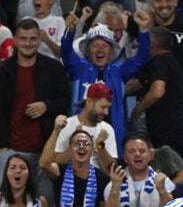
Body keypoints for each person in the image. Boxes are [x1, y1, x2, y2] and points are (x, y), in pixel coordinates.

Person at [0, 18, 72, 207]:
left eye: (33, 39)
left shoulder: (54, 68)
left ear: (39, 39)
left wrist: (46, 106)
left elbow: (64, 101)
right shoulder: (3, 71)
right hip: (10, 151)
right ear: (15, 40)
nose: (28, 43)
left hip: (45, 153)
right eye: (23, 38)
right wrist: (1, 146)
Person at [60, 12, 152, 147]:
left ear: (111, 51)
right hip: (81, 140)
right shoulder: (79, 68)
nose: (100, 49)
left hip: (112, 140)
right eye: (95, 45)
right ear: (87, 50)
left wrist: (143, 30)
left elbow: (142, 58)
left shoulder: (119, 71)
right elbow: (66, 53)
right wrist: (70, 31)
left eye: (105, 45)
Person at [128, 26, 183, 162]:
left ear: (151, 45)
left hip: (172, 133)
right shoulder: (170, 63)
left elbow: (157, 91)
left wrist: (138, 109)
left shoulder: (160, 61)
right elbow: (138, 84)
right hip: (182, 131)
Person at [40, 124, 110, 207]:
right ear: (70, 149)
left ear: (92, 150)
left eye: (86, 143)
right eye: (77, 143)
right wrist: (56, 130)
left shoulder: (102, 179)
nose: (82, 146)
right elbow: (44, 164)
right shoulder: (60, 172)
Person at [103, 132, 175, 207]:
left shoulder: (163, 181)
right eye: (131, 151)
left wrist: (162, 190)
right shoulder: (114, 183)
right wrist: (115, 189)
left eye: (142, 151)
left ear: (149, 155)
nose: (137, 154)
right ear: (125, 158)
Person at [51, 83, 119, 170]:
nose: (106, 112)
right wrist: (74, 142)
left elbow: (111, 171)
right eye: (103, 107)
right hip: (70, 176)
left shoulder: (107, 129)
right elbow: (56, 163)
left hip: (98, 177)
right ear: (89, 102)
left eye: (108, 108)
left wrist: (100, 146)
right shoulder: (66, 125)